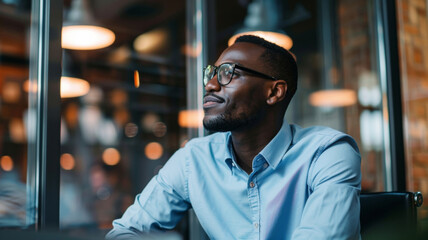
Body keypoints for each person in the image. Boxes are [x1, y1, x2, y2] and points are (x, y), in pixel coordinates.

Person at [106, 35, 361, 240]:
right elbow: (125, 232)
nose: (210, 85)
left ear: (274, 92)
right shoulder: (193, 159)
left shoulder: (328, 152)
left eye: (229, 73)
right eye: (212, 73)